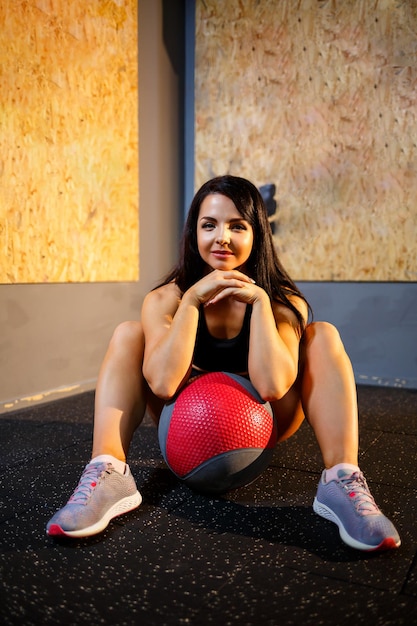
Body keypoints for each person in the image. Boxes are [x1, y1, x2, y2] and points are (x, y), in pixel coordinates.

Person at [46, 175, 400, 551]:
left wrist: (261, 302)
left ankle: (342, 480)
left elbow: (273, 386)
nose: (222, 237)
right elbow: (164, 384)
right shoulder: (166, 299)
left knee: (323, 334)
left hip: (266, 423)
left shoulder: (283, 302)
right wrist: (193, 302)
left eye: (237, 226)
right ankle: (108, 471)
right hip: (183, 426)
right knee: (128, 333)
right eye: (209, 225)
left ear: (256, 234)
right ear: (193, 232)